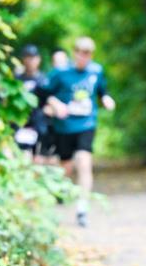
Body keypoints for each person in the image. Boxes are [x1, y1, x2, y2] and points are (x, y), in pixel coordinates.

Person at [43, 36, 116, 227]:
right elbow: (44, 94)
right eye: (82, 53)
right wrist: (55, 104)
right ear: (74, 53)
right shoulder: (60, 73)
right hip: (64, 126)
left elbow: (102, 91)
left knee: (84, 163)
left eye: (89, 54)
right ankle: (60, 195)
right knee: (66, 167)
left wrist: (107, 99)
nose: (85, 57)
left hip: (86, 124)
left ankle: (82, 208)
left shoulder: (96, 71)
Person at [13, 45, 54, 164]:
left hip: (39, 123)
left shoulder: (44, 80)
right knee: (21, 156)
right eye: (27, 57)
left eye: (33, 58)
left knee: (38, 159)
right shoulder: (16, 80)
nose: (30, 61)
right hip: (20, 122)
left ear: (38, 59)